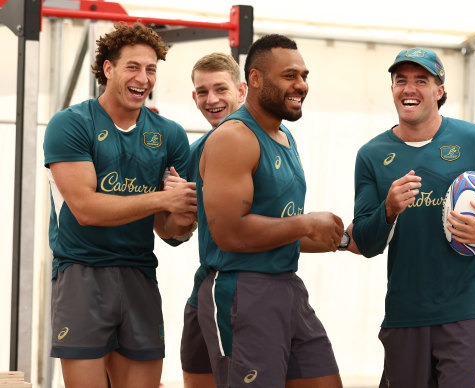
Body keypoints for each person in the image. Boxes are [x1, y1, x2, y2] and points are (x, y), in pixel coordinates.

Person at [348, 48, 475, 388]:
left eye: (421, 80)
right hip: (404, 316)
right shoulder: (371, 156)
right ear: (392, 89)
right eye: (400, 80)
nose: (408, 89)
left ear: (439, 90)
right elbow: (366, 243)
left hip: (466, 314)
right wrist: (387, 210)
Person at [183, 34, 344, 388]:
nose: (301, 85)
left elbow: (277, 229)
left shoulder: (285, 136)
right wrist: (306, 222)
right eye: (290, 75)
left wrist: (340, 239)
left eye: (304, 75)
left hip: (286, 285)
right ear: (254, 79)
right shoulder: (233, 138)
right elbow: (230, 233)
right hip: (241, 289)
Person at [43, 22, 196, 388]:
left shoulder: (170, 134)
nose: (143, 77)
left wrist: (182, 215)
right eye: (133, 67)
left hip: (139, 273)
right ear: (108, 69)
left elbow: (171, 232)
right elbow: (86, 209)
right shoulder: (70, 124)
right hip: (82, 272)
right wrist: (163, 198)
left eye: (151, 69)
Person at [178, 52, 247, 388]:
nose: (212, 99)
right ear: (194, 97)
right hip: (205, 285)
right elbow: (176, 232)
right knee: (196, 374)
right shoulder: (195, 151)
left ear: (242, 91)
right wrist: (170, 203)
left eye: (221, 89)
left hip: (246, 291)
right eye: (202, 92)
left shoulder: (267, 141)